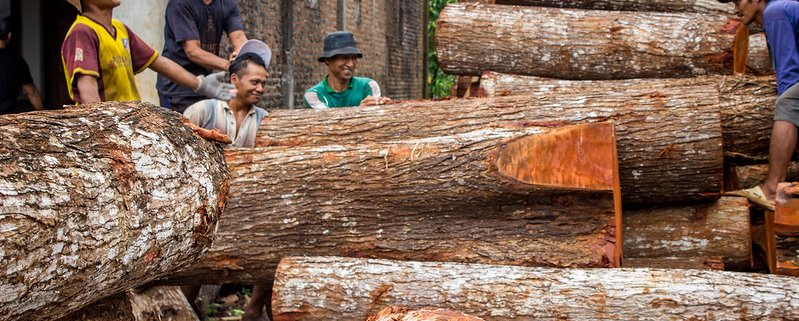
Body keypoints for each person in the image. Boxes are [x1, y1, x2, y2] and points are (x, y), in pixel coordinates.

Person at [183, 40, 272, 320]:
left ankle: (254, 309)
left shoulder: (266, 121)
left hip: (248, 206)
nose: (260, 88)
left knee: (270, 251)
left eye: (263, 83)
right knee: (196, 265)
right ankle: (185, 310)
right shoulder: (202, 111)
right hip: (206, 207)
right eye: (254, 81)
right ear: (234, 79)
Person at [61, 0, 234, 105]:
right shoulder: (83, 32)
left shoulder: (120, 29)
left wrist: (199, 84)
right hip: (108, 128)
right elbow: (88, 92)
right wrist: (103, 134)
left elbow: (158, 62)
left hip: (128, 123)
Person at [721, 0, 799, 211]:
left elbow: (789, 73)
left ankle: (772, 189)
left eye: (738, 1)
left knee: (788, 102)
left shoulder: (776, 11)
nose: (736, 9)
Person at [157, 0, 247, 113]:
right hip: (177, 88)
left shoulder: (227, 3)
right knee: (181, 129)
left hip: (207, 84)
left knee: (206, 129)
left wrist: (245, 54)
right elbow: (193, 51)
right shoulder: (180, 3)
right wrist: (231, 65)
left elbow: (239, 38)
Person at [303, 31, 390, 109]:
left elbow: (375, 113)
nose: (351, 64)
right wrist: (360, 111)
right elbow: (328, 120)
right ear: (327, 60)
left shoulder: (368, 86)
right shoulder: (314, 95)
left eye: (354, 58)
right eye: (343, 57)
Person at [0, 17, 43, 114]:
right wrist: (43, 115)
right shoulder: (15, 60)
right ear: (9, 36)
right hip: (6, 118)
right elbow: (31, 91)